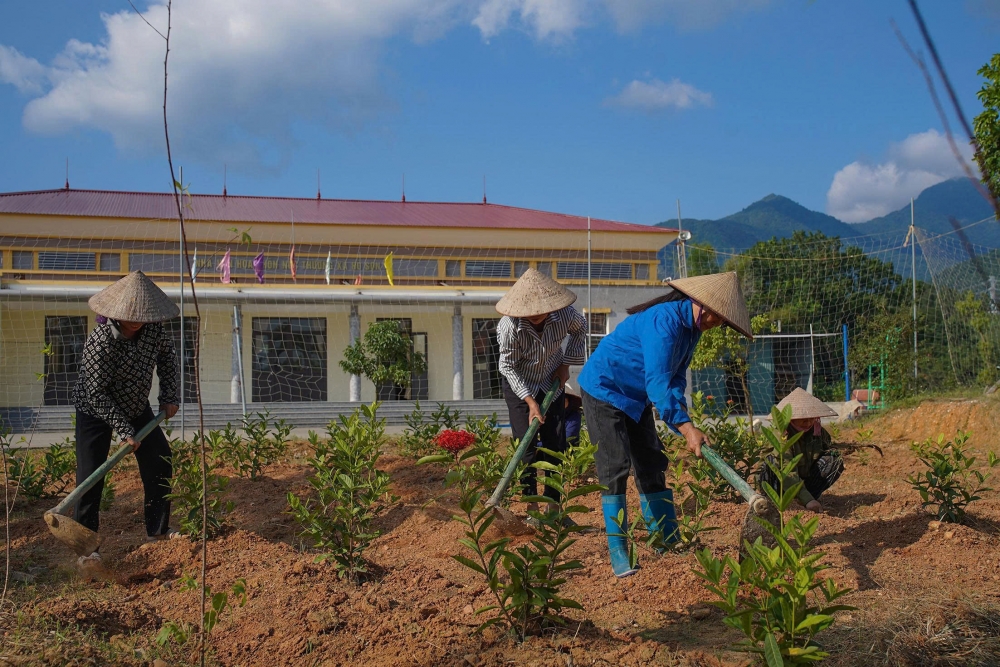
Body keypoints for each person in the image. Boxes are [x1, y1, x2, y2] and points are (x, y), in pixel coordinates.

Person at [577, 272, 753, 577]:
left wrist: (685, 422)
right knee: (614, 466)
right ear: (698, 303)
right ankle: (619, 550)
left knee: (651, 461)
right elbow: (658, 383)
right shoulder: (664, 323)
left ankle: (665, 538)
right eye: (715, 316)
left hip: (636, 397)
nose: (716, 323)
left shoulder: (691, 330)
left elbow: (674, 379)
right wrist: (686, 428)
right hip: (604, 390)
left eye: (722, 320)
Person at [72, 271, 182, 570]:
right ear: (115, 314)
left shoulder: (155, 332)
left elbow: (168, 359)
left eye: (141, 316)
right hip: (95, 410)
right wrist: (123, 430)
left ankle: (158, 530)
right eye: (130, 315)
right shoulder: (100, 342)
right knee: (90, 474)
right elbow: (95, 393)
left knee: (159, 460)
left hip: (135, 406)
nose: (136, 321)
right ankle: (87, 548)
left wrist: (169, 396)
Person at [496, 268, 587, 525]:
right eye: (529, 310)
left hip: (551, 380)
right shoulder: (509, 326)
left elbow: (581, 329)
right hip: (519, 385)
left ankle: (554, 508)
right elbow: (507, 367)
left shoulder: (566, 315)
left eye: (540, 309)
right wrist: (530, 402)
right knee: (524, 445)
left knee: (554, 445)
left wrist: (566, 364)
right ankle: (532, 509)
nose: (535, 314)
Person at [758, 388, 843, 513]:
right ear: (791, 418)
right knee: (771, 462)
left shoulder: (818, 432)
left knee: (833, 459)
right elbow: (786, 469)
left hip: (803, 479)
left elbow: (828, 449)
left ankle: (805, 498)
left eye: (811, 418)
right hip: (778, 482)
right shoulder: (780, 434)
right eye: (803, 418)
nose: (808, 422)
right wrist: (807, 499)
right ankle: (776, 502)